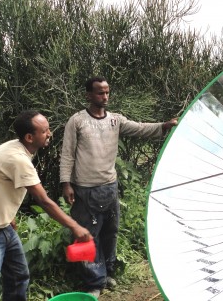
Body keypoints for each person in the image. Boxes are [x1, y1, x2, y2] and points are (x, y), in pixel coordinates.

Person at [60, 76, 178, 298]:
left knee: (110, 232)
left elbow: (141, 129)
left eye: (107, 92)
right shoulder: (77, 121)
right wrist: (66, 184)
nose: (104, 97)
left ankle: (106, 273)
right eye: (99, 93)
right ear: (88, 95)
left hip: (109, 187)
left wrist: (164, 126)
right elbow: (67, 153)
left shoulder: (115, 120)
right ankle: (93, 282)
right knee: (87, 235)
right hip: (85, 188)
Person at [0, 110, 92, 301]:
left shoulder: (13, 147)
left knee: (18, 277)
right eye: (45, 131)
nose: (50, 133)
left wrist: (9, 215)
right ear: (29, 137)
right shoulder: (18, 159)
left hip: (3, 227)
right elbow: (44, 201)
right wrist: (75, 226)